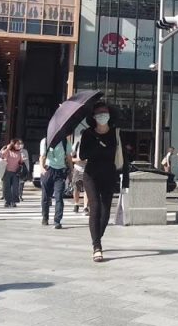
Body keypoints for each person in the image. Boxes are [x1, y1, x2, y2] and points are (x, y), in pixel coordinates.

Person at [77, 102, 123, 262]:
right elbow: (82, 155)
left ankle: (97, 235)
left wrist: (126, 182)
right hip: (91, 175)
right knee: (95, 207)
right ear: (94, 117)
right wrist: (97, 146)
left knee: (105, 213)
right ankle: (97, 246)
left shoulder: (116, 133)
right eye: (99, 113)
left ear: (109, 115)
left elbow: (123, 157)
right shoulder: (88, 134)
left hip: (109, 175)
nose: (102, 115)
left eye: (105, 112)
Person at [40, 136, 72, 228]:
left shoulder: (65, 141)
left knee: (59, 197)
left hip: (60, 171)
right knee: (46, 196)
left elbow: (69, 156)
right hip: (48, 170)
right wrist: (42, 168)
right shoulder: (45, 141)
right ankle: (45, 217)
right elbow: (42, 156)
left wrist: (71, 170)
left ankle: (57, 220)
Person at [0, 139, 24, 208]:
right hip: (7, 171)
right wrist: (7, 148)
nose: (19, 145)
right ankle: (7, 201)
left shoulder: (19, 152)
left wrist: (22, 161)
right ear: (13, 144)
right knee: (6, 187)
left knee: (15, 188)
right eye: (17, 144)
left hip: (15, 172)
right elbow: (2, 154)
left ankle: (13, 201)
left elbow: (21, 161)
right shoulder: (8, 151)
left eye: (19, 144)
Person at [71, 134, 88, 214]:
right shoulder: (77, 144)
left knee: (87, 189)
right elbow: (70, 157)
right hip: (77, 168)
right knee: (76, 188)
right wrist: (78, 159)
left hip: (88, 169)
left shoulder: (91, 144)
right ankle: (76, 204)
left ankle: (85, 207)